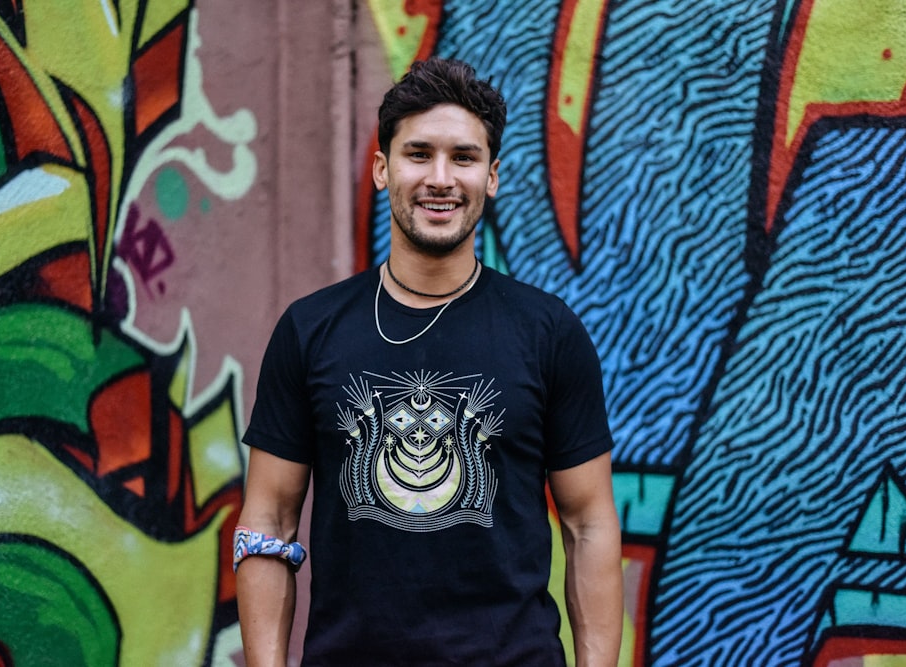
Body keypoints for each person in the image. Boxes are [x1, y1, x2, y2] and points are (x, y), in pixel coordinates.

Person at [235, 57, 622, 667]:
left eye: (463, 158)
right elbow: (269, 517)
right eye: (419, 154)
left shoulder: (547, 332)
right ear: (383, 169)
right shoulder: (310, 330)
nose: (441, 177)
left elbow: (589, 523)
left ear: (492, 176)